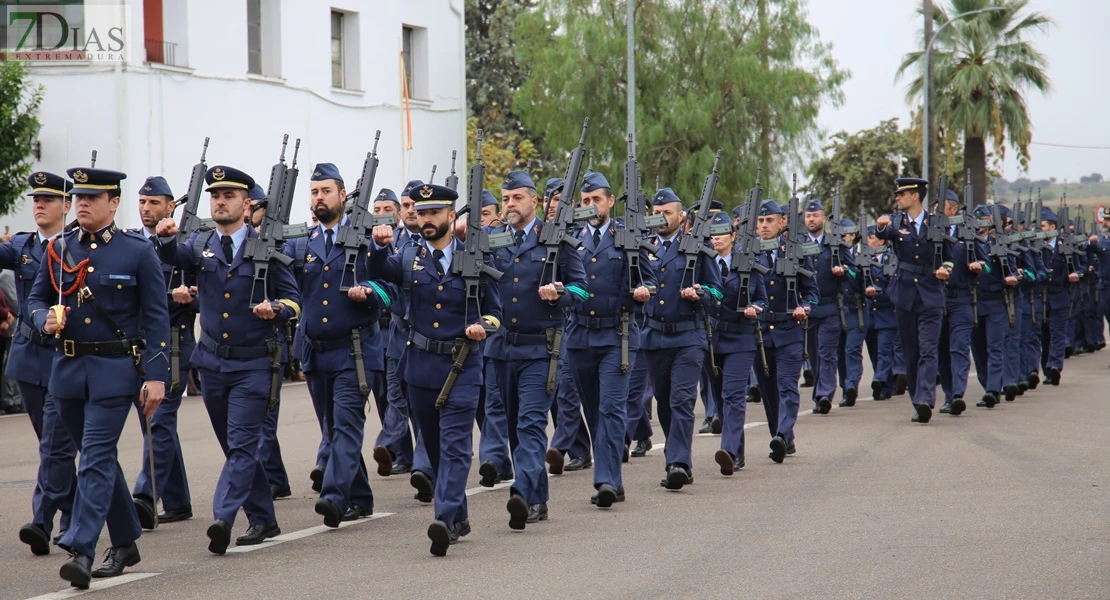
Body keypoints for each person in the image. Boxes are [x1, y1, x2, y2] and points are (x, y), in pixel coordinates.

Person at [28, 166, 170, 588]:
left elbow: (157, 320)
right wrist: (43, 320)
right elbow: (35, 298)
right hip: (68, 370)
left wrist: (158, 376)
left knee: (92, 457)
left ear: (114, 202)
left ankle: (82, 547)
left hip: (113, 371)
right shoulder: (61, 247)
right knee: (101, 460)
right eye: (78, 198)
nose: (82, 204)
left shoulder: (137, 252)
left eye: (92, 197)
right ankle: (126, 539)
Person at [155, 165, 300, 554]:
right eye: (215, 196)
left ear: (246, 203)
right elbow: (175, 256)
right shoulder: (203, 246)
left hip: (254, 364)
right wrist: (166, 239)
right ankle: (265, 519)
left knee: (241, 443)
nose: (220, 202)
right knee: (233, 445)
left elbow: (293, 299)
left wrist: (278, 309)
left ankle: (223, 516)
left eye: (229, 196)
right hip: (212, 363)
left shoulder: (267, 249)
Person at [368, 182, 501, 556]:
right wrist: (379, 246)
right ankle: (458, 512)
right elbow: (379, 271)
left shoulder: (474, 257)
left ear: (450, 215)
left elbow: (496, 311)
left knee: (456, 446)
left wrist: (484, 326)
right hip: (420, 368)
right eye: (422, 213)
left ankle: (443, 518)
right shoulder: (409, 256)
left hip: (462, 365)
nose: (426, 219)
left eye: (434, 213)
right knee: (438, 447)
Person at [284, 163, 388, 526]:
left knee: (345, 426)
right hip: (315, 351)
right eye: (314, 192)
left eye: (326, 191)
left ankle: (333, 496)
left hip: (355, 351)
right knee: (333, 426)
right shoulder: (302, 243)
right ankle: (360, 496)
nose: (319, 198)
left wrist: (370, 292)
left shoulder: (365, 238)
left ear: (343, 195)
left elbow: (389, 288)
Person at [487, 171, 588, 528]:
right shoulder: (494, 239)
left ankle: (524, 494)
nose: (510, 204)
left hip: (541, 351)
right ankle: (539, 498)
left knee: (530, 425)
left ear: (534, 201)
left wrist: (560, 292)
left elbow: (582, 290)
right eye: (506, 198)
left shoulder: (555, 240)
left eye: (517, 198)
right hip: (501, 349)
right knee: (515, 427)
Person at [566, 172, 654, 506]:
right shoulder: (571, 238)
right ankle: (610, 476)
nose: (591, 206)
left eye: (596, 200)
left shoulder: (627, 237)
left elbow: (651, 278)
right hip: (579, 335)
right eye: (585, 201)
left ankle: (606, 480)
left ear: (610, 201)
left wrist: (644, 291)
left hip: (617, 335)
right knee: (593, 411)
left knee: (612, 409)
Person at [4, 171, 79, 557]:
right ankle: (76, 511)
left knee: (54, 445)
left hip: (63, 355)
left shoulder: (79, 246)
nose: (39, 205)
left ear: (66, 207)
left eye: (47, 200)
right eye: (36, 199)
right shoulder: (22, 245)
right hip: (29, 356)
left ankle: (43, 521)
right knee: (51, 445)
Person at [643, 188, 721, 489]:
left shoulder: (696, 248)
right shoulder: (642, 246)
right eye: (657, 212)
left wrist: (701, 293)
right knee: (663, 402)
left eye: (667, 213)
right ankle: (679, 458)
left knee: (681, 400)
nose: (662, 218)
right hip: (654, 337)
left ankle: (678, 462)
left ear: (681, 216)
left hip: (689, 336)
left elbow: (717, 293)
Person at [131, 176, 195, 528]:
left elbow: (210, 294)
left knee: (160, 419)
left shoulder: (186, 243)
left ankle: (144, 496)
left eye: (154, 203)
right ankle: (178, 499)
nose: (146, 209)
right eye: (142, 202)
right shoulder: (129, 243)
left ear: (171, 206)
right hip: (140, 343)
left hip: (174, 342)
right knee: (152, 422)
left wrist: (188, 296)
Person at [875, 177, 950, 423]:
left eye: (902, 194)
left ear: (915, 196)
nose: (897, 198)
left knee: (928, 349)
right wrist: (880, 226)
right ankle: (917, 398)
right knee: (911, 351)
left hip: (930, 293)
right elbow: (885, 232)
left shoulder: (937, 222)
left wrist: (945, 269)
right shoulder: (896, 221)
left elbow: (950, 255)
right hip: (905, 294)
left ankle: (925, 400)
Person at [752, 199, 816, 462]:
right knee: (768, 391)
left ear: (782, 222)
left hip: (789, 329)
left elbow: (812, 291)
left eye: (770, 221)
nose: (765, 226)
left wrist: (804, 307)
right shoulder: (749, 251)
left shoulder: (795, 251)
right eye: (761, 221)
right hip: (759, 332)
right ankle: (782, 438)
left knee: (787, 386)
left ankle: (781, 435)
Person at [705, 212, 766, 475]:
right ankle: (737, 452)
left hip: (741, 337)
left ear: (733, 236)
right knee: (719, 397)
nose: (716, 237)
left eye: (721, 233)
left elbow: (763, 299)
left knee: (733, 395)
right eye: (712, 234)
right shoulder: (703, 262)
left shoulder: (747, 263)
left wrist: (755, 307)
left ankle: (728, 450)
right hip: (711, 338)